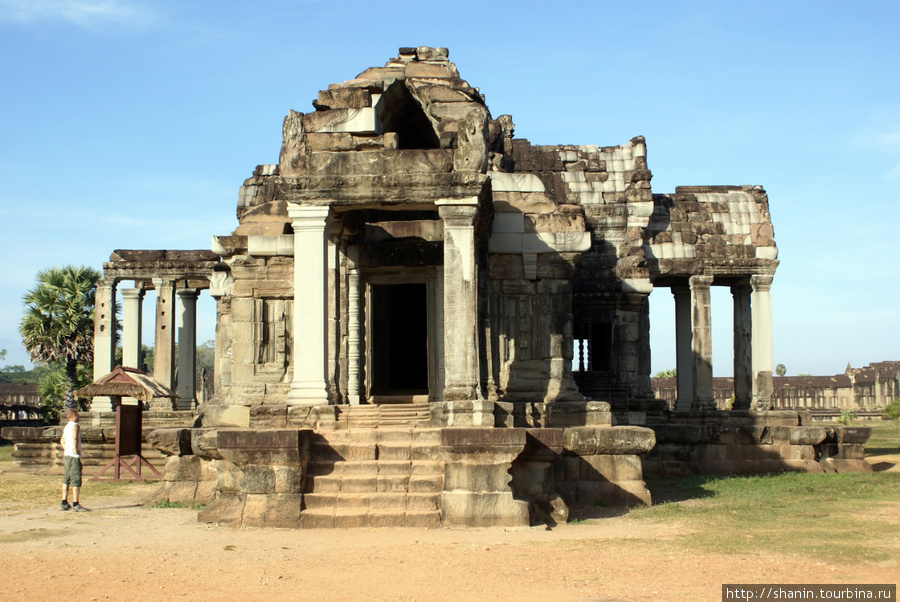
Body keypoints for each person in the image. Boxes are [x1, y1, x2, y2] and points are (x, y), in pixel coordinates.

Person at [59, 409, 86, 511]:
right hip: (73, 456)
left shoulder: (66, 426)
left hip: (67, 455)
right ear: (74, 415)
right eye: (77, 415)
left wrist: (67, 448)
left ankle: (64, 502)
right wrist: (75, 449)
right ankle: (75, 503)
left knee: (66, 478)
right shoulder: (75, 425)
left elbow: (62, 440)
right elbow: (75, 437)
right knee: (76, 479)